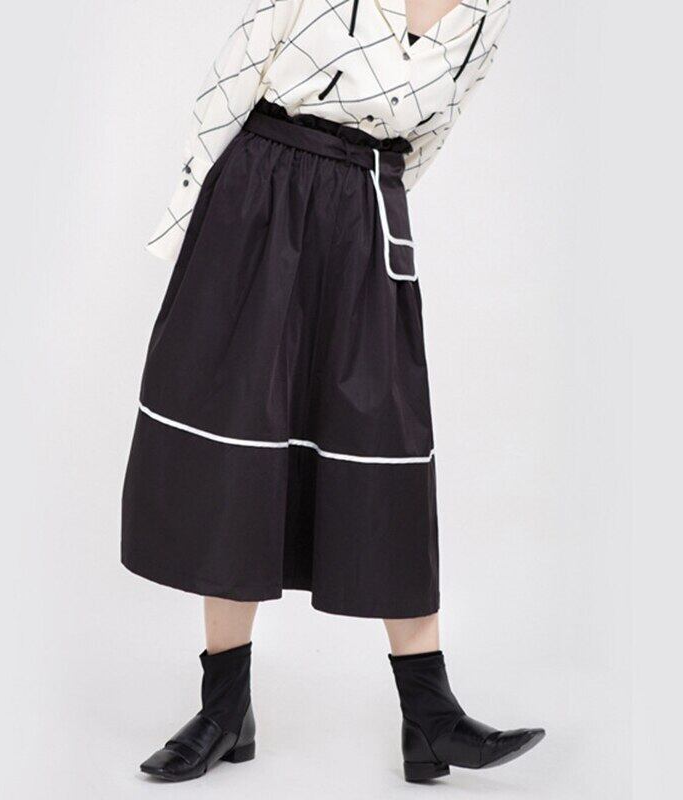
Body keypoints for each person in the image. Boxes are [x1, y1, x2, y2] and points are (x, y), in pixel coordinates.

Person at [122, 0, 544, 783]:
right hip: (260, 197)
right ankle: (224, 709)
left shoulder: (490, 14)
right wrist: (194, 228)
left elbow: (432, 135)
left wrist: (363, 204)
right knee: (240, 443)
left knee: (387, 448)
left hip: (365, 214)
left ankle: (431, 715)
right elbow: (234, 74)